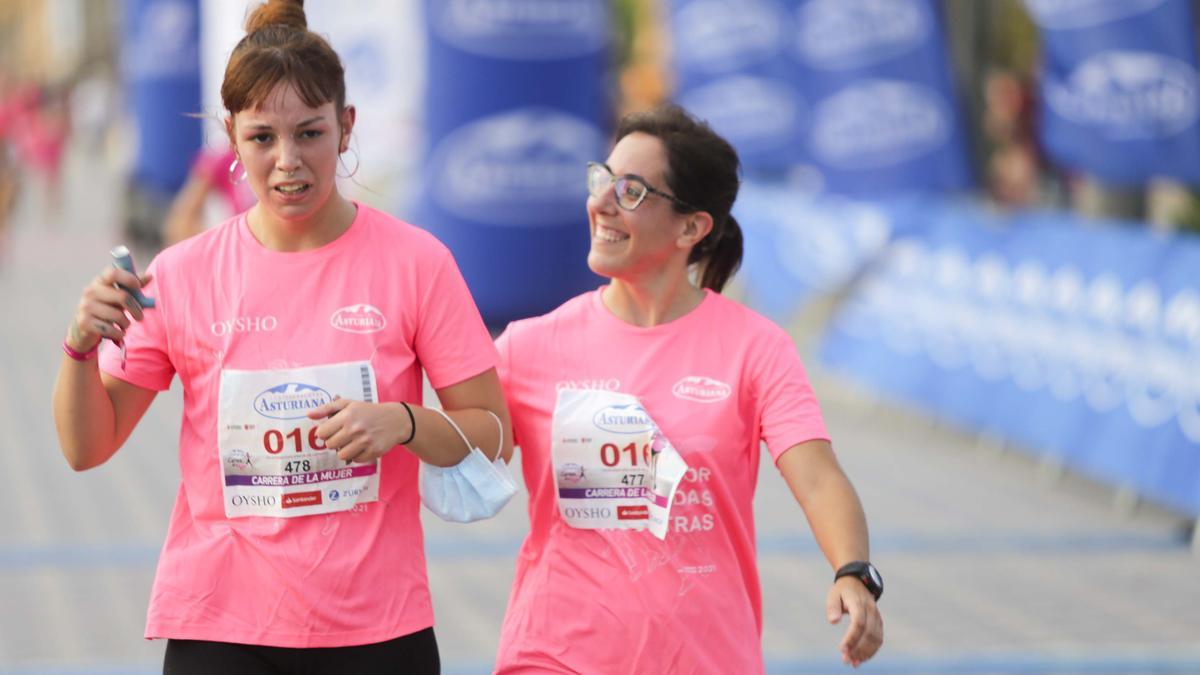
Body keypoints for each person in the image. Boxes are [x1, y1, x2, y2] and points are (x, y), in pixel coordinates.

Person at [51, 1, 511, 672]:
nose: (288, 162)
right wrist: (79, 345)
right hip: (221, 625)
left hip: (377, 630)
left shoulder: (417, 262)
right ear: (230, 135)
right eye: (263, 137)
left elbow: (495, 434)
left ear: (346, 127)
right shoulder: (181, 274)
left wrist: (405, 422)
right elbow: (86, 447)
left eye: (310, 133)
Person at [492, 104, 884, 673]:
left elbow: (819, 479)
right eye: (601, 179)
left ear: (691, 226)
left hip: (705, 656)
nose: (599, 202)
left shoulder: (756, 347)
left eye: (629, 191)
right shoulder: (528, 347)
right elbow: (451, 449)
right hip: (554, 654)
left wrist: (853, 571)